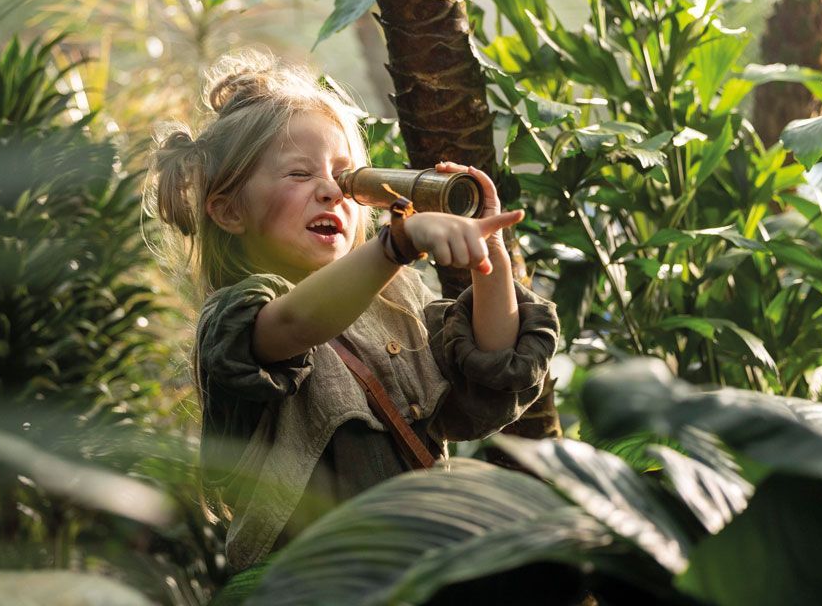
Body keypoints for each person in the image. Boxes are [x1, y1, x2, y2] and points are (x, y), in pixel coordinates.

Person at [146, 50, 559, 573]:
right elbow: (297, 324)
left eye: (346, 179)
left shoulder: (396, 301)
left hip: (416, 568)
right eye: (298, 174)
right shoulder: (232, 318)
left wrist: (489, 254)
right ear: (230, 211)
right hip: (309, 581)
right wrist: (397, 245)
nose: (329, 191)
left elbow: (494, 365)